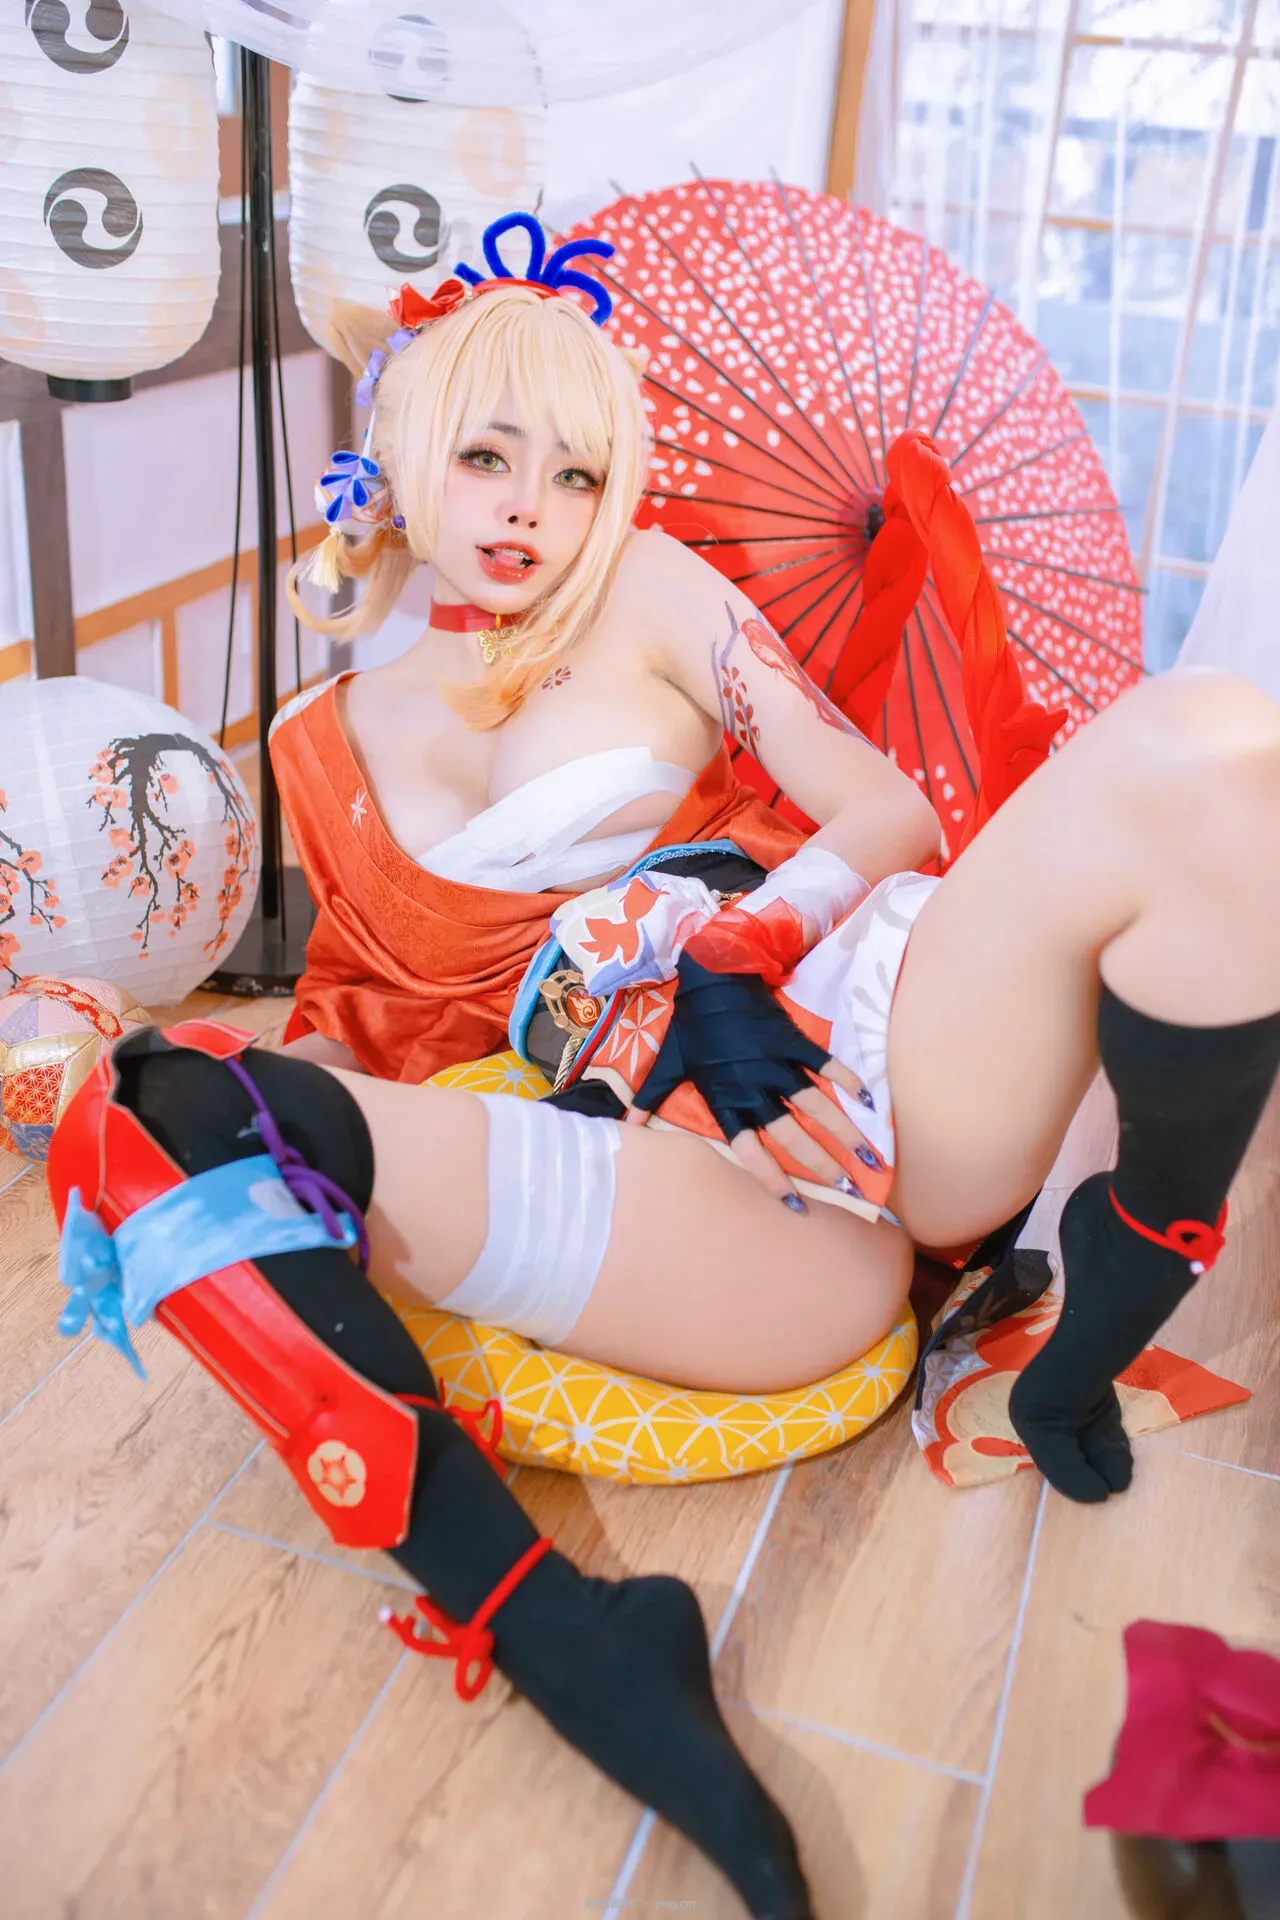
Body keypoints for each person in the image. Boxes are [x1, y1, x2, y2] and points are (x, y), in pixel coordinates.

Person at [49, 216, 1280, 1914]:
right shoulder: (319, 742)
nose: (529, 511)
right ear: (401, 454)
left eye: (575, 473)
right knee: (164, 1112)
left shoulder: (655, 593)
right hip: (668, 1169)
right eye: (487, 457)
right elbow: (370, 1015)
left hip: (863, 1019)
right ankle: (571, 1632)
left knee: (1215, 744)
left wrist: (745, 946)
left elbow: (885, 806)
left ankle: (1101, 1323)